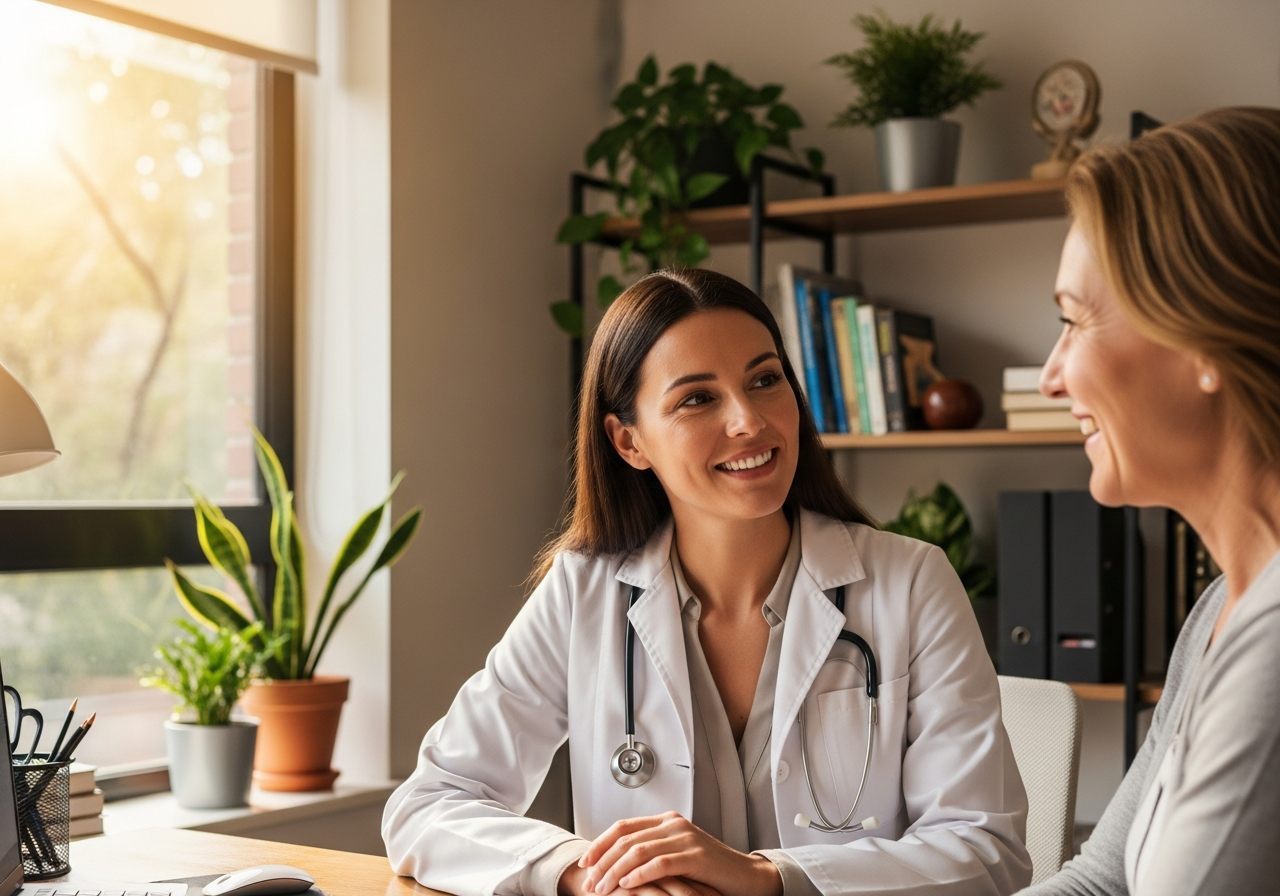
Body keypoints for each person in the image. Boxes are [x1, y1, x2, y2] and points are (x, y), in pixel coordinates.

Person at [383, 268, 1031, 896]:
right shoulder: (584, 592)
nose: (749, 421)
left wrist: (766, 878)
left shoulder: (911, 584)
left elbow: (983, 849)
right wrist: (582, 871)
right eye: (697, 398)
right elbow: (427, 805)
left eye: (765, 379)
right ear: (629, 440)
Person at [1024, 106, 1280, 895]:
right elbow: (1103, 878)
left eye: (1073, 321)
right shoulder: (1219, 614)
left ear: (1203, 337)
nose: (1050, 375)